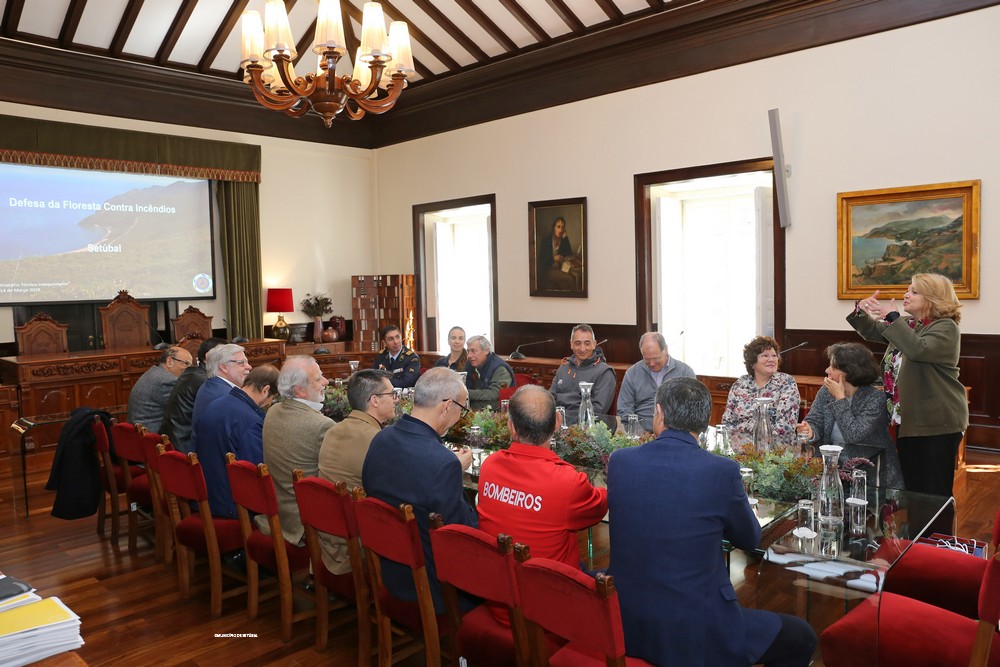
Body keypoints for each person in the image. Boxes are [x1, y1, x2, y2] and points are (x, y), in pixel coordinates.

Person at [608, 377, 817, 666]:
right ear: (706, 422)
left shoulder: (621, 460)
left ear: (659, 413)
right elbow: (750, 539)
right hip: (695, 627)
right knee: (802, 636)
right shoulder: (721, 471)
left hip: (626, 616)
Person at [361, 367, 477, 613]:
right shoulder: (443, 463)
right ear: (446, 407)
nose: (461, 416)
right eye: (462, 409)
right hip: (432, 588)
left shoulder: (381, 438)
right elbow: (463, 535)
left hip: (389, 571)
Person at [850, 273, 968, 496]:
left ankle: (937, 532)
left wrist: (893, 318)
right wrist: (861, 310)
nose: (906, 294)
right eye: (908, 289)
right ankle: (917, 531)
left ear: (932, 298)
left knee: (934, 492)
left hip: (936, 422)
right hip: (909, 421)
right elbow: (871, 329)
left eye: (914, 291)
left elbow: (918, 348)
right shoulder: (907, 324)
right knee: (913, 489)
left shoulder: (946, 328)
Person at [477, 385, 607, 570]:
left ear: (511, 427)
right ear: (558, 421)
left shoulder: (490, 465)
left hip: (498, 582)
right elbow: (600, 506)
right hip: (554, 591)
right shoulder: (567, 482)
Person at [317, 369, 396, 574]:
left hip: (327, 538)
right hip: (356, 545)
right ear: (375, 400)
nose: (396, 400)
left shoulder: (333, 430)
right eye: (392, 394)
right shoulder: (377, 440)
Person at [797, 343, 903, 489]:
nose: (826, 370)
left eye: (832, 367)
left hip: (871, 476)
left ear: (848, 371)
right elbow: (814, 419)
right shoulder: (826, 391)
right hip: (833, 469)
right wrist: (810, 429)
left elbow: (854, 434)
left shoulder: (875, 398)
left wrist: (840, 399)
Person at [256, 356, 334, 544]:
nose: (326, 381)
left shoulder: (273, 411)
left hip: (277, 512)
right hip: (303, 523)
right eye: (318, 379)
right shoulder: (322, 425)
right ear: (300, 390)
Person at [194, 364, 279, 519]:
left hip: (208, 493)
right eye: (272, 399)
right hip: (232, 506)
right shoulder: (250, 420)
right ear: (265, 390)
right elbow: (257, 470)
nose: (269, 403)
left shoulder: (217, 403)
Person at [722, 335, 800, 443]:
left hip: (776, 451)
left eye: (774, 355)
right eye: (765, 356)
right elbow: (727, 422)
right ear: (752, 362)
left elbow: (785, 427)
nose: (771, 359)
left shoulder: (786, 382)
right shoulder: (740, 384)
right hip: (740, 449)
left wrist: (746, 433)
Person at [616, 331, 696, 433]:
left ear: (666, 350)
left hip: (676, 433)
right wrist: (640, 434)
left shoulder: (685, 372)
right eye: (647, 360)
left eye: (655, 358)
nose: (652, 364)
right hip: (641, 434)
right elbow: (624, 410)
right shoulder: (632, 373)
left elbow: (693, 409)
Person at [162, 337, 226, 453]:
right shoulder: (204, 380)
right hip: (185, 446)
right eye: (225, 356)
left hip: (176, 440)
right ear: (207, 357)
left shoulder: (193, 373)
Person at [549, 324, 617, 424]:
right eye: (577, 343)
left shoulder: (605, 372)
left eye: (587, 343)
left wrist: (562, 420)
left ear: (594, 344)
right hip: (555, 424)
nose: (582, 348)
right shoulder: (564, 367)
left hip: (584, 428)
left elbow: (598, 411)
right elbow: (550, 398)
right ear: (571, 344)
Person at [190, 343, 251, 452]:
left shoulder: (209, 386)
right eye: (241, 363)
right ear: (223, 367)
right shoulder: (228, 396)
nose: (249, 366)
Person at [127, 346, 192, 433]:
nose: (188, 369)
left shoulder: (154, 372)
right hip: (153, 438)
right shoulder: (168, 381)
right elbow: (184, 412)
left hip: (138, 434)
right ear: (169, 361)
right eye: (186, 363)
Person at [465, 334, 515, 411]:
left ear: (486, 350)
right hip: (477, 407)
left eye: (473, 351)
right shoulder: (471, 364)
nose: (469, 355)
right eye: (468, 351)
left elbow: (494, 394)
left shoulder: (500, 369)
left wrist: (465, 393)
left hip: (496, 411)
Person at [536, 216, 579, 291]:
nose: (560, 230)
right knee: (571, 279)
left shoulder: (562, 240)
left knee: (565, 285)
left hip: (559, 269)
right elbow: (541, 262)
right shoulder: (546, 241)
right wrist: (554, 258)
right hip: (548, 270)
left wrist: (566, 238)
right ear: (553, 228)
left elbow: (569, 253)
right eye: (558, 227)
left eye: (562, 227)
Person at [372, 324, 420, 388]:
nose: (396, 342)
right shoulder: (381, 356)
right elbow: (372, 376)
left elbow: (406, 382)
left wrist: (382, 381)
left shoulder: (411, 358)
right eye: (391, 339)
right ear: (384, 343)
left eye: (397, 337)